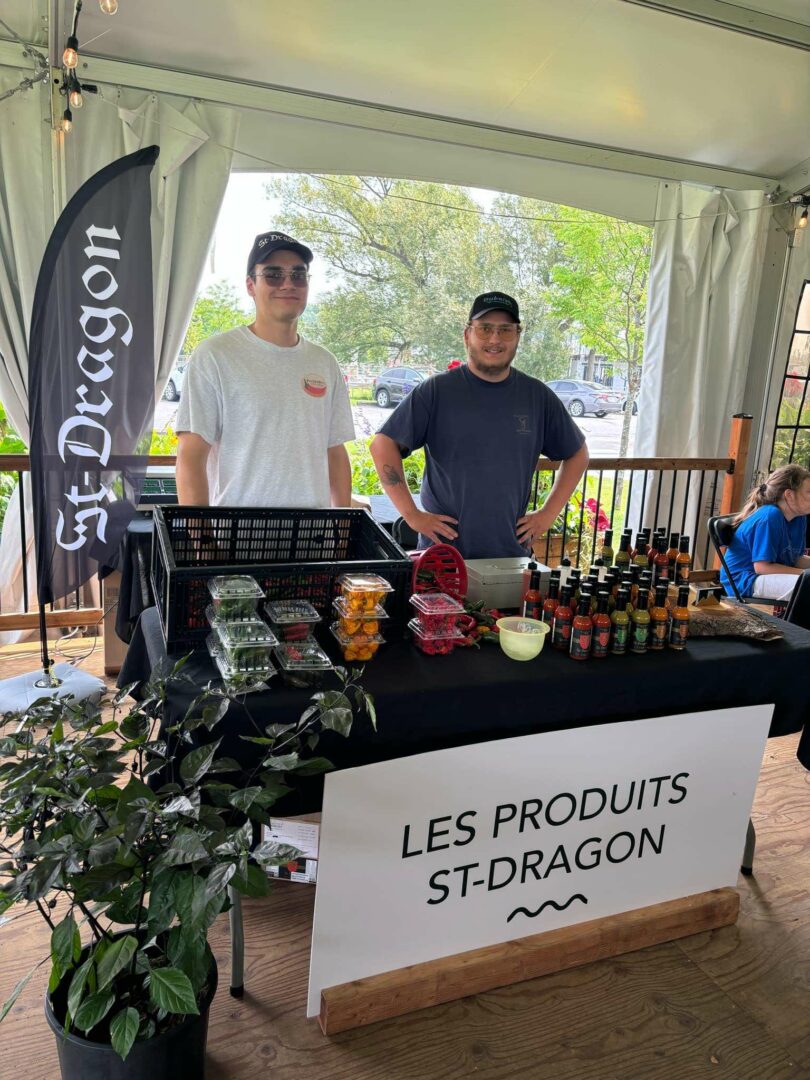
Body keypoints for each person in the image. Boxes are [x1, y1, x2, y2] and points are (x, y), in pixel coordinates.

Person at [370, 291, 589, 558]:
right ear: (467, 335)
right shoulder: (436, 391)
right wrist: (412, 515)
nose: (495, 339)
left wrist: (547, 514)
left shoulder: (537, 396)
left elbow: (577, 453)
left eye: (505, 330)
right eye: (485, 329)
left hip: (512, 557)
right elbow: (383, 445)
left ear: (517, 336)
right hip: (443, 561)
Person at [175, 231, 354, 507]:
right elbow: (190, 457)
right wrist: (204, 544)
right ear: (250, 285)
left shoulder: (325, 362)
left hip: (313, 541)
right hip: (236, 539)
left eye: (298, 275)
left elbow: (335, 453)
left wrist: (342, 533)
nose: (287, 284)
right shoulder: (215, 356)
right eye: (273, 274)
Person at [720, 464, 810, 600]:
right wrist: (805, 574)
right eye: (809, 492)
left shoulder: (799, 517)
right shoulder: (770, 516)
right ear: (789, 495)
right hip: (745, 579)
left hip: (764, 574)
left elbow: (796, 558)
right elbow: (762, 567)